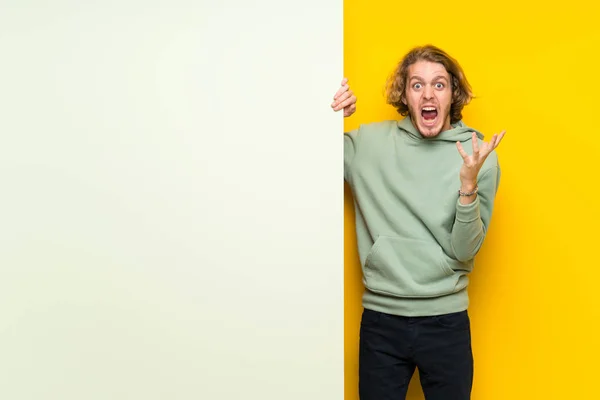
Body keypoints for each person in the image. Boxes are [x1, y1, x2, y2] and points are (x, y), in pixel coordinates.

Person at [331, 44, 505, 400]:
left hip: (446, 324)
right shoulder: (368, 145)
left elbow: (464, 249)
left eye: (439, 85)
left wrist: (468, 187)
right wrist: (327, 116)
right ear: (405, 95)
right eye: (417, 85)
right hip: (382, 321)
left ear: (453, 94)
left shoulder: (478, 157)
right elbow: (298, 159)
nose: (428, 94)